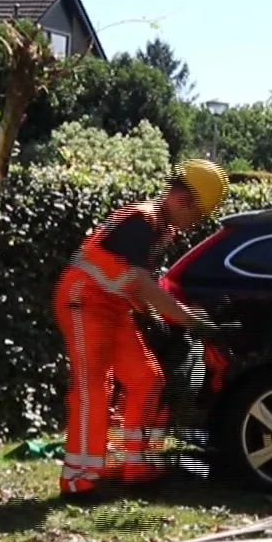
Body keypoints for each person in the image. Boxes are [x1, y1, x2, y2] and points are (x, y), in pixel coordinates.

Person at [55, 160, 226, 501]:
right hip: (84, 301)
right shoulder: (142, 221)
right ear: (181, 200)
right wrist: (188, 320)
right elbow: (140, 282)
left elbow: (130, 281)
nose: (196, 223)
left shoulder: (161, 229)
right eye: (198, 214)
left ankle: (137, 464)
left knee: (148, 378)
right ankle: (79, 481)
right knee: (94, 389)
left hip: (112, 306)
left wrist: (155, 316)